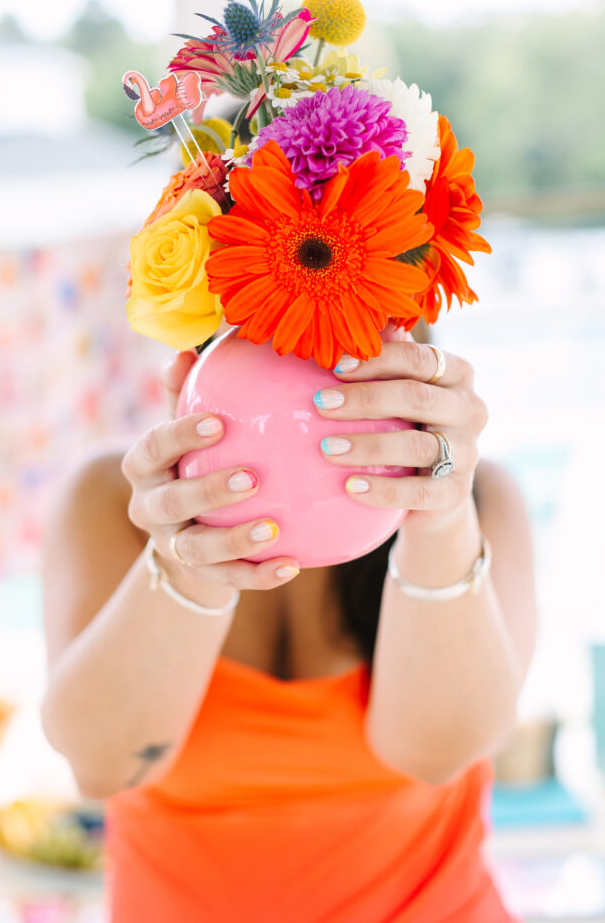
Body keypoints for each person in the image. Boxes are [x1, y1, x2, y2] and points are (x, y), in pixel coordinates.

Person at [40, 322, 535, 923]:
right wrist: (190, 546)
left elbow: (435, 754)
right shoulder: (110, 497)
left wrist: (439, 519)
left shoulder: (477, 500)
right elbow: (103, 765)